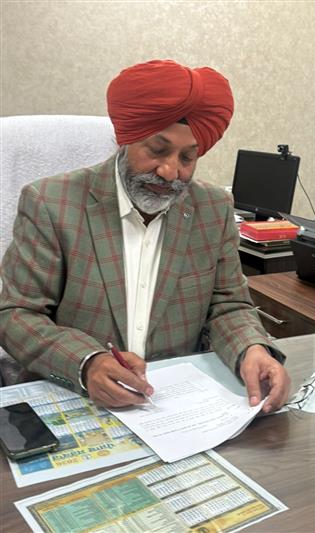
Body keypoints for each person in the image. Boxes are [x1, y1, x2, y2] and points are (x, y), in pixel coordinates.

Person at [0, 59, 290, 413]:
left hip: (174, 405)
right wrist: (87, 362)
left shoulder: (213, 209)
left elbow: (228, 306)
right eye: (157, 150)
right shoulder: (51, 203)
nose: (169, 171)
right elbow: (16, 315)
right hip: (76, 397)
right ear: (125, 139)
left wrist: (252, 349)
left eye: (187, 157)